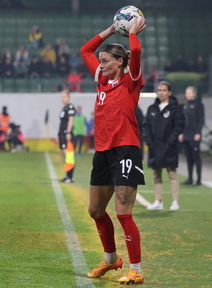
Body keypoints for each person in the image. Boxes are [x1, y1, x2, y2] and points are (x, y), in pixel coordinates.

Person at [80, 17, 146, 284]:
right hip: (103, 151)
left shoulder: (131, 80)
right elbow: (85, 50)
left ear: (120, 61)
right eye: (102, 61)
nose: (102, 65)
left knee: (123, 213)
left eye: (106, 61)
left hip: (126, 150)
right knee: (95, 211)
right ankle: (111, 261)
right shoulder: (101, 81)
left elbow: (137, 52)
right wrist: (109, 31)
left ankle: (137, 270)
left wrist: (131, 33)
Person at [143, 81, 184, 211]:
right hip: (154, 147)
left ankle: (175, 202)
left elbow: (179, 127)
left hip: (169, 147)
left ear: (169, 92)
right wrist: (149, 141)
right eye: (159, 90)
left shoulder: (175, 108)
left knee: (172, 174)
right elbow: (146, 126)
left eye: (164, 90)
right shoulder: (152, 108)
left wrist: (170, 142)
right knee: (156, 174)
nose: (161, 93)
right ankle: (158, 201)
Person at [179, 86, 205, 186]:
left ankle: (198, 180)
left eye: (190, 93)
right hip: (186, 136)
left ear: (194, 93)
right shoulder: (186, 106)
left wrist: (198, 132)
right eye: (186, 93)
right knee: (188, 158)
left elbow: (201, 120)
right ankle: (190, 178)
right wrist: (182, 133)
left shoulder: (198, 105)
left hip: (194, 136)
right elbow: (183, 121)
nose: (188, 95)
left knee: (196, 157)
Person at [58, 89, 76, 183]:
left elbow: (71, 120)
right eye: (62, 97)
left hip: (66, 133)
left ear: (68, 97)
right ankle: (67, 176)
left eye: (64, 97)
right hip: (61, 133)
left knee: (68, 156)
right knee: (64, 156)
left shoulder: (70, 107)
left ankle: (70, 177)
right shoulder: (64, 108)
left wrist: (68, 132)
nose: (62, 99)